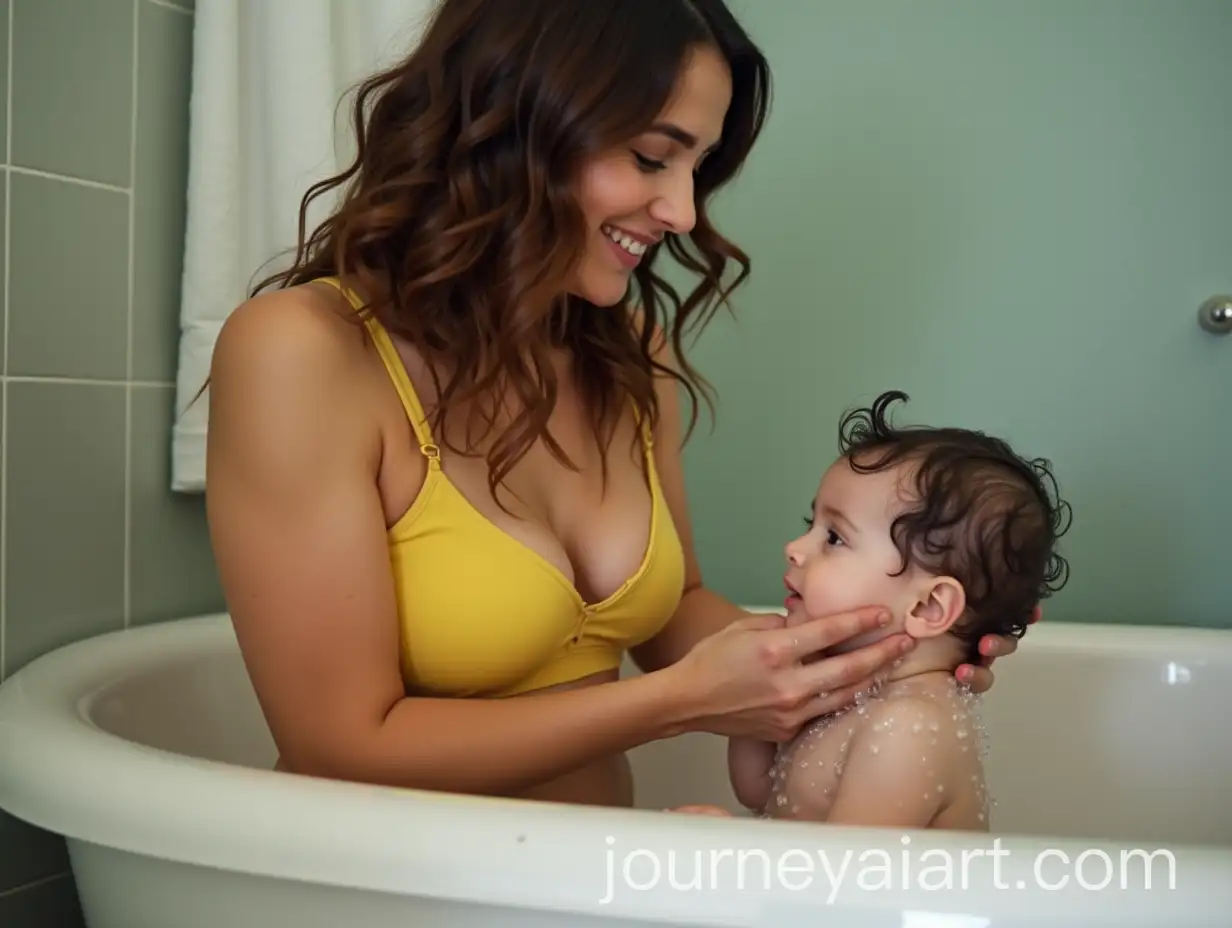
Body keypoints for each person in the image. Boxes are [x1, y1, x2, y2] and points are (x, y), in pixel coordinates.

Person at [203, 0, 1025, 809]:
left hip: (585, 884)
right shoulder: (300, 352)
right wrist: (675, 704)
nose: (682, 211)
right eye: (650, 157)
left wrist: (880, 653)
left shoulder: (628, 351)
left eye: (696, 167)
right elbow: (340, 743)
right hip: (385, 889)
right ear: (515, 122)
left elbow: (674, 616)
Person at [707, 390, 1069, 828]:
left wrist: (725, 848)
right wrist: (751, 695)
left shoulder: (905, 727)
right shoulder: (845, 689)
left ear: (929, 605)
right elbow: (762, 790)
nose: (795, 549)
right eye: (812, 526)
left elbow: (847, 883)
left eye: (835, 537)